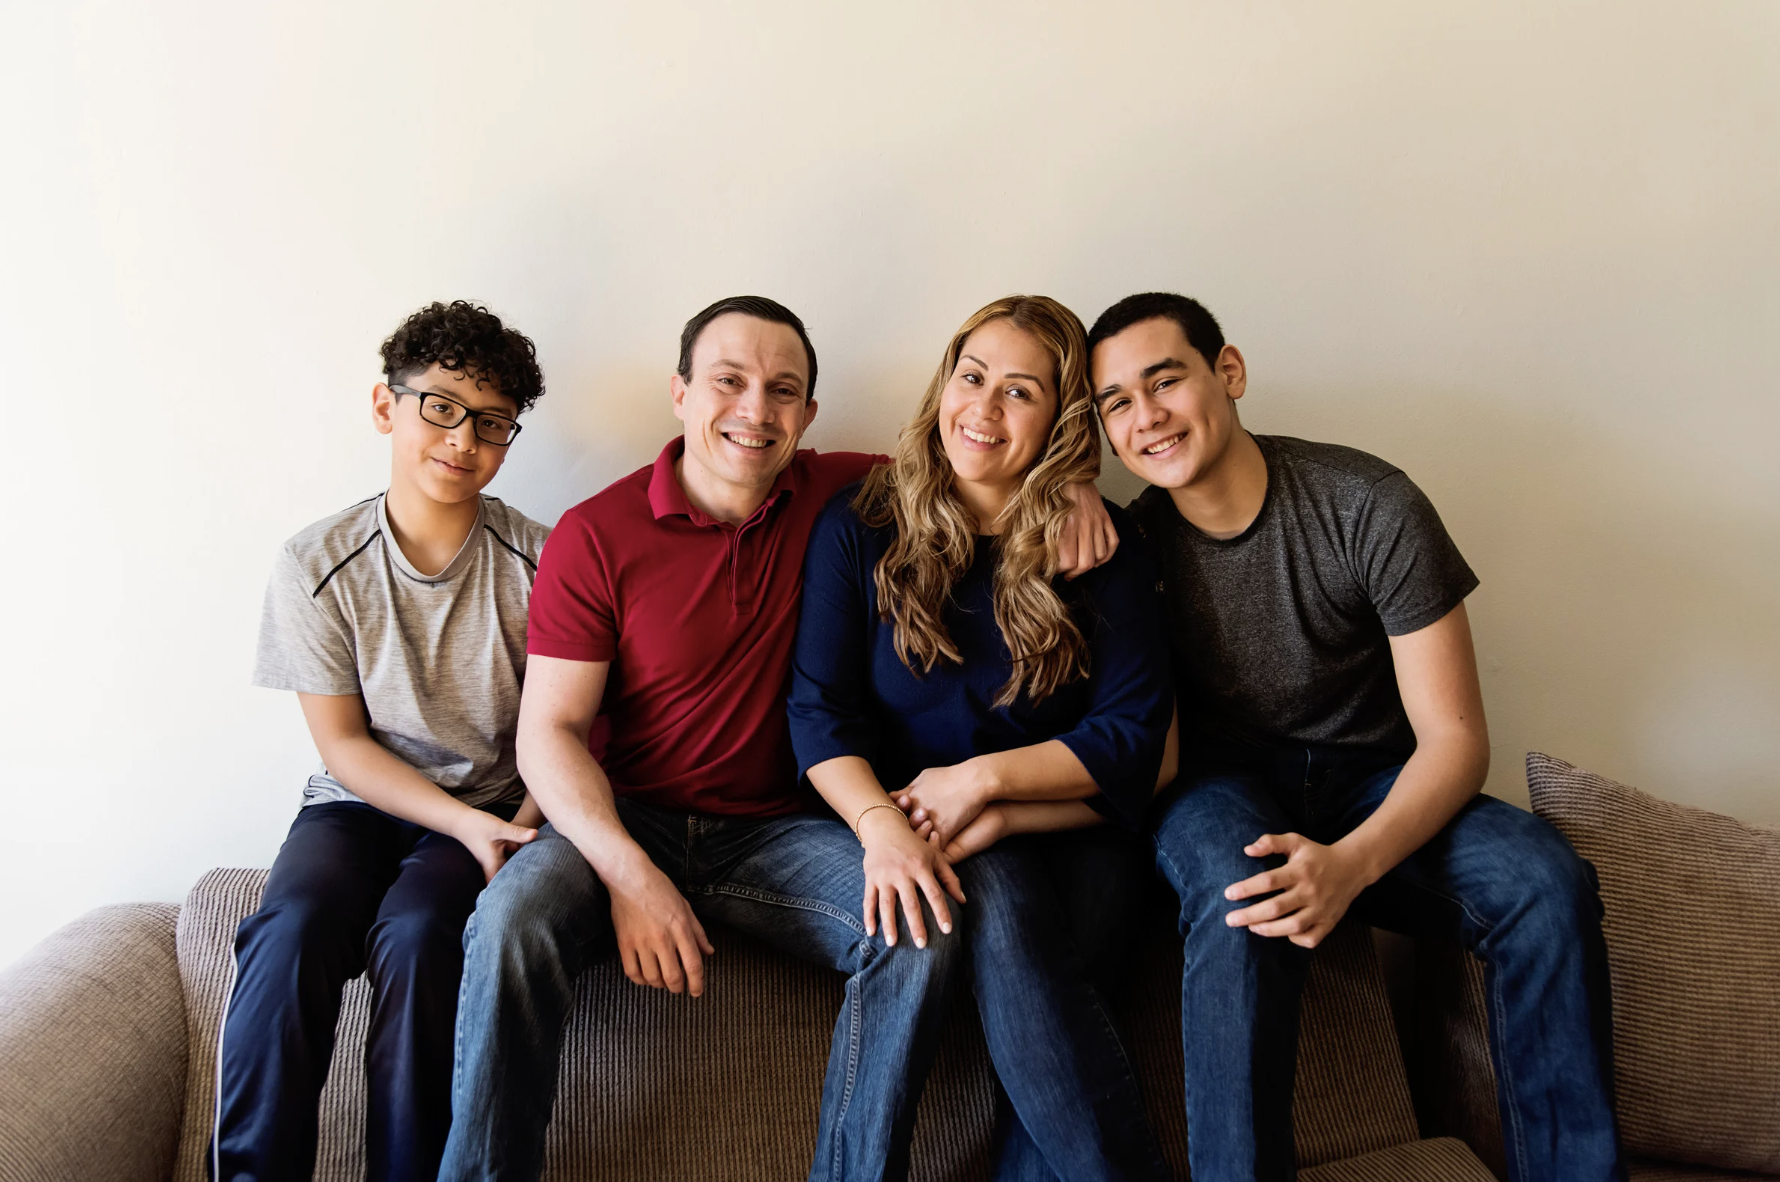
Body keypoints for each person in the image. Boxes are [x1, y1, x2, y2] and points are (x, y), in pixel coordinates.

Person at [439, 295, 1120, 1182]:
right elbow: (551, 736)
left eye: (783, 391)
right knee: (511, 918)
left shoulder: (850, 496)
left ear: (807, 413)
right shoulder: (594, 535)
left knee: (922, 926)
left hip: (781, 832)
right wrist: (632, 878)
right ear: (681, 393)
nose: (755, 411)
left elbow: (978, 454)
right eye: (729, 382)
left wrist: (1073, 483)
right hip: (631, 816)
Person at [1089, 291, 1625, 1182]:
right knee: (1239, 889)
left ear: (1230, 373)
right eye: (1115, 403)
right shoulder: (1129, 551)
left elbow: (1455, 740)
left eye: (1165, 380)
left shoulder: (1366, 503)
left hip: (1377, 777)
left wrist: (1352, 863)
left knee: (1544, 882)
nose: (1145, 418)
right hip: (1218, 786)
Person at [788, 294, 1176, 1182]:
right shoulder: (862, 525)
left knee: (1010, 905)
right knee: (995, 896)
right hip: (924, 829)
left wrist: (986, 786)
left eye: (1021, 393)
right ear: (943, 382)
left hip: (1082, 835)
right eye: (972, 377)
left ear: (1062, 421)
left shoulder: (1101, 546)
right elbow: (818, 712)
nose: (985, 410)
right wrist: (882, 825)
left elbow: (1132, 738)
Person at [216, 301, 551, 1182]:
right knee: (290, 930)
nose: (462, 440)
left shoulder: (541, 562)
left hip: (488, 809)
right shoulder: (316, 560)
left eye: (491, 423)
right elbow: (342, 746)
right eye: (439, 407)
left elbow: (567, 726)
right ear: (385, 406)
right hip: (356, 804)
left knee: (418, 936)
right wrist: (464, 826)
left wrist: (510, 825)